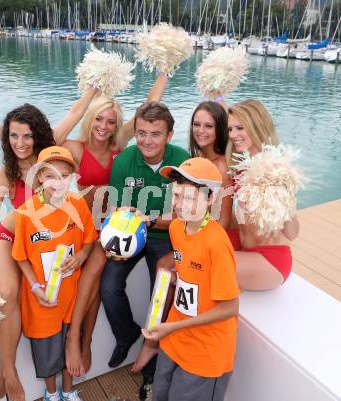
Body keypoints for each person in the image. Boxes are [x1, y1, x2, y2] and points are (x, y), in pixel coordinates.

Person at [0, 88, 96, 401]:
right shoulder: (3, 175)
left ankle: (2, 377)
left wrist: (94, 87)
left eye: (27, 136)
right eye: (14, 137)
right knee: (7, 292)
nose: (21, 143)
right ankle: (9, 374)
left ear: (39, 137)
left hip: (39, 243)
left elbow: (74, 114)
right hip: (7, 237)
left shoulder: (51, 159)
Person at [55, 74, 169, 377]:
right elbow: (50, 140)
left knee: (96, 272)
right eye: (99, 120)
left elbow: (149, 107)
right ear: (90, 119)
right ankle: (75, 338)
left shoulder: (119, 145)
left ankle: (84, 338)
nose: (104, 127)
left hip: (109, 229)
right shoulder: (75, 149)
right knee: (94, 273)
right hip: (82, 226)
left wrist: (164, 73)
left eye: (110, 121)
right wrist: (89, 93)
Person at [100, 101, 190, 400]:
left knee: (161, 295)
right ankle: (126, 335)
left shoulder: (181, 161)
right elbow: (113, 206)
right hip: (131, 232)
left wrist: (151, 219)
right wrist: (121, 217)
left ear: (169, 135)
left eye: (155, 134)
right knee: (109, 285)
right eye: (141, 133)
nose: (147, 141)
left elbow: (186, 213)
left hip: (166, 236)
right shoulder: (125, 160)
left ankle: (151, 371)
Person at [142, 157, 240, 401]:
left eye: (189, 198)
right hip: (175, 340)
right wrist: (176, 276)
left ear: (210, 199)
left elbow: (230, 307)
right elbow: (189, 270)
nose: (180, 205)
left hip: (204, 350)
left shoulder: (217, 243)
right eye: (176, 196)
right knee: (160, 395)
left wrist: (172, 326)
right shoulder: (177, 227)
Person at [12, 146, 97, 401]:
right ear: (39, 177)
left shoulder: (78, 204)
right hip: (43, 301)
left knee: (69, 347)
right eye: (50, 176)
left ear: (72, 177)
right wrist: (35, 287)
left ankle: (68, 391)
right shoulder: (26, 213)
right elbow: (21, 257)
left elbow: (89, 240)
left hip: (71, 296)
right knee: (48, 352)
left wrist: (81, 256)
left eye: (64, 175)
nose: (57, 182)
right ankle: (51, 393)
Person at [226, 99, 300, 290]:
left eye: (240, 128)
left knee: (204, 265)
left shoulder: (274, 168)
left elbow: (292, 233)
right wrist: (218, 95)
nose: (233, 135)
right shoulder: (242, 165)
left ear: (255, 125)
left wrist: (283, 199)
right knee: (194, 249)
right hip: (243, 247)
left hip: (270, 258)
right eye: (230, 129)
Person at [189, 101, 233, 229]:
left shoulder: (222, 168)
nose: (200, 131)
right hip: (199, 228)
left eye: (208, 126)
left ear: (219, 129)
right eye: (196, 124)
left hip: (218, 236)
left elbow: (224, 220)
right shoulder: (199, 157)